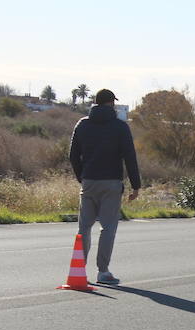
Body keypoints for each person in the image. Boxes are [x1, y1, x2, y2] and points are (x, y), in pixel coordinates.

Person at [69, 88, 141, 285]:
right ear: (110, 103)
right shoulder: (120, 127)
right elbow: (130, 157)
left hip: (89, 181)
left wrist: (81, 177)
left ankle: (79, 269)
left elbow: (73, 155)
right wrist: (136, 185)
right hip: (111, 183)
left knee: (84, 227)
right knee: (108, 228)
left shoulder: (82, 125)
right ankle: (103, 271)